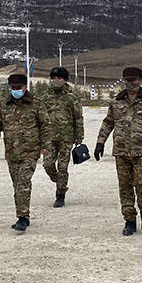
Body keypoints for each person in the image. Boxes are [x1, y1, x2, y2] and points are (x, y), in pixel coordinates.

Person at [95, 67, 142, 236]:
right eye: (127, 80)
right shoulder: (116, 101)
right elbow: (108, 122)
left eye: (133, 80)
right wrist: (100, 142)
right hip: (121, 151)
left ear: (140, 81)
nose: (130, 83)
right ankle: (129, 220)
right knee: (125, 186)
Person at [0, 74, 52, 232]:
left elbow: (46, 126)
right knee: (17, 185)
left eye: (19, 88)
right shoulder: (4, 105)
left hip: (30, 152)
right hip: (11, 152)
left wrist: (46, 146)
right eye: (13, 88)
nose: (16, 90)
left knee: (23, 183)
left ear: (25, 87)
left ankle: (22, 217)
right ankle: (23, 214)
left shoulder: (36, 104)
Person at [40, 66, 84, 207]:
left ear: (65, 80)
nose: (55, 80)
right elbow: (40, 118)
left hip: (66, 137)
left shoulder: (72, 96)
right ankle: (59, 180)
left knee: (63, 167)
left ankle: (60, 195)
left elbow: (78, 117)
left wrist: (79, 137)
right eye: (53, 78)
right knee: (47, 164)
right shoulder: (46, 96)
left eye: (59, 78)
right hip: (49, 137)